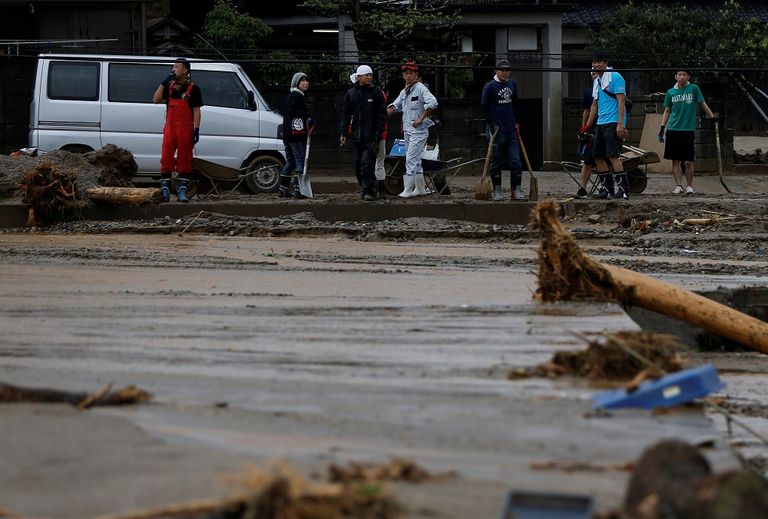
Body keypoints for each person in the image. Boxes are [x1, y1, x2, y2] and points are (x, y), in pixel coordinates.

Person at [658, 64, 715, 195]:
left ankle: (689, 186)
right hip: (673, 129)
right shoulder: (671, 92)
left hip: (687, 130)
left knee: (688, 161)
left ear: (688, 76)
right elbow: (667, 110)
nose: (682, 77)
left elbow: (702, 103)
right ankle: (679, 185)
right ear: (676, 77)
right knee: (675, 160)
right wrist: (662, 127)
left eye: (684, 75)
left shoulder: (694, 89)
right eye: (679, 75)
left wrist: (712, 117)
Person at [152, 57, 202, 203]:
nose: (174, 70)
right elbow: (155, 100)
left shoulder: (194, 88)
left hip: (185, 130)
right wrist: (163, 83)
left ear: (185, 70)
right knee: (166, 157)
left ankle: (181, 191)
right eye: (173, 67)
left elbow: (196, 111)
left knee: (184, 159)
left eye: (177, 67)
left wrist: (196, 129)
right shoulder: (169, 86)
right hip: (170, 128)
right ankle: (165, 190)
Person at [387, 62, 438, 198]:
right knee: (415, 160)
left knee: (410, 158)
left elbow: (433, 102)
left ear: (416, 75)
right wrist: (380, 114)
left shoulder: (420, 88)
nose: (409, 75)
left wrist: (421, 118)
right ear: (403, 76)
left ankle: (408, 190)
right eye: (406, 73)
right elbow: (395, 106)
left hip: (419, 131)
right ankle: (420, 189)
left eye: (411, 73)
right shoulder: (404, 91)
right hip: (408, 131)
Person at [583, 51, 629, 200]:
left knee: (613, 156)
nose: (596, 65)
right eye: (594, 62)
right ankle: (606, 189)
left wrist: (620, 124)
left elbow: (621, 101)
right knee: (597, 156)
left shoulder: (616, 77)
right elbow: (594, 105)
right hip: (600, 123)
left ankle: (623, 189)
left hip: (613, 122)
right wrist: (587, 126)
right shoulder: (597, 80)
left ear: (606, 63)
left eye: (599, 62)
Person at [340, 65, 387, 201]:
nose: (370, 77)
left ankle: (369, 191)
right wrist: (343, 132)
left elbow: (381, 115)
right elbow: (345, 114)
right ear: (359, 77)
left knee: (367, 164)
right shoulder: (351, 94)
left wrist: (378, 135)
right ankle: (366, 188)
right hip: (356, 136)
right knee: (358, 165)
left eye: (371, 75)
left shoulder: (376, 92)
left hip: (370, 136)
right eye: (367, 75)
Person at [480, 59, 524, 201]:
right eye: (502, 70)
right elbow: (484, 106)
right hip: (496, 130)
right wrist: (491, 123)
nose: (505, 73)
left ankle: (516, 190)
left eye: (507, 70)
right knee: (496, 160)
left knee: (516, 161)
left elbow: (516, 104)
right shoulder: (489, 86)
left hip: (510, 128)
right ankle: (497, 191)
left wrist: (516, 121)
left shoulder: (512, 84)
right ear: (496, 71)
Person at [279, 72, 312, 198]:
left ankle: (283, 188)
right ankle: (299, 189)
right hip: (296, 135)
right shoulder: (296, 96)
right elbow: (294, 112)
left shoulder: (290, 96)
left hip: (288, 135)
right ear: (296, 83)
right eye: (302, 81)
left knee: (290, 162)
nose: (306, 83)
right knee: (300, 161)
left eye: (306, 81)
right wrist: (307, 116)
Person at [576, 71, 599, 199]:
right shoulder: (589, 92)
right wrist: (583, 128)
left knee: (604, 159)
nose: (595, 75)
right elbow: (587, 110)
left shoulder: (609, 88)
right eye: (593, 73)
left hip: (606, 126)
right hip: (592, 130)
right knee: (588, 160)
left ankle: (605, 187)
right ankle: (583, 188)